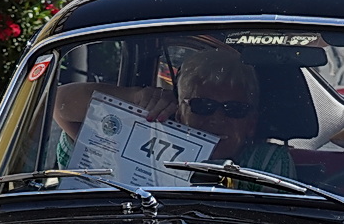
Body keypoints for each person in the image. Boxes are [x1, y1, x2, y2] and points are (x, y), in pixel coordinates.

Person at [52, 46, 293, 179]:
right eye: (203, 106)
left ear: (251, 122)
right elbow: (60, 104)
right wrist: (135, 98)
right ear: (179, 111)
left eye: (235, 110)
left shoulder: (264, 162)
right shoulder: (136, 143)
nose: (218, 119)